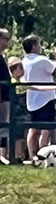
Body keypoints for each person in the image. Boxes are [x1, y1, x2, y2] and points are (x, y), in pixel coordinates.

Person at [18, 36, 56, 161]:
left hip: (32, 100)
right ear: (33, 46)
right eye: (38, 44)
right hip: (46, 98)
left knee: (33, 129)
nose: (40, 47)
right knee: (46, 129)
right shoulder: (41, 60)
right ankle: (44, 156)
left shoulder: (24, 61)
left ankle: (33, 156)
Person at [0, 27, 14, 164]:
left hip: (5, 96)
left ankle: (2, 154)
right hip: (1, 97)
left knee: (4, 126)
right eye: (5, 39)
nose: (7, 43)